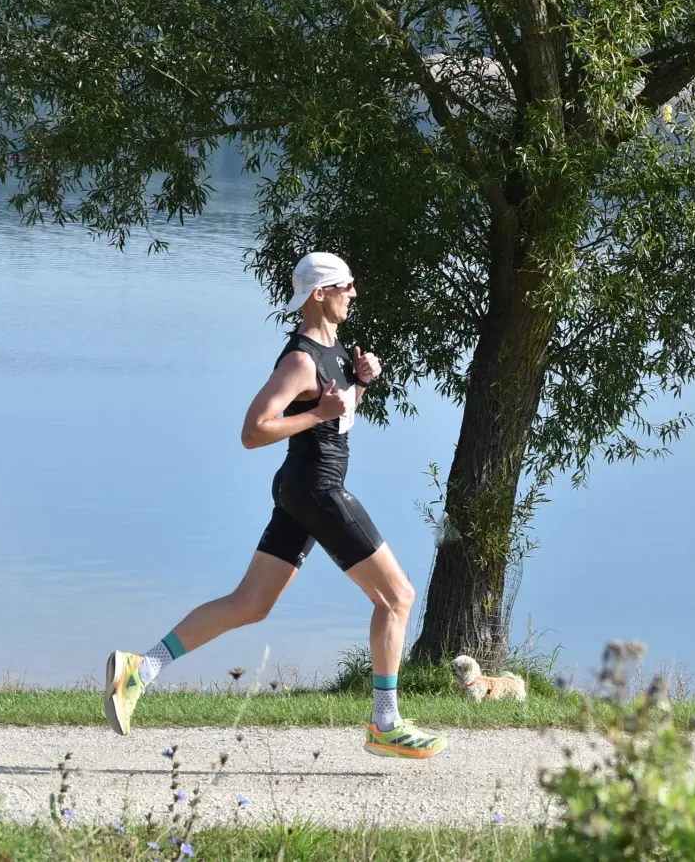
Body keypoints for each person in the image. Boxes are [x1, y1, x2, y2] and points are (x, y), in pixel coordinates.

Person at [102, 251, 446, 759]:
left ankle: (142, 667)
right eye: (346, 286)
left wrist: (363, 383)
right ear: (319, 294)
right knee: (397, 597)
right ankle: (384, 722)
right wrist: (318, 413)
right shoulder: (301, 360)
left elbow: (337, 416)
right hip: (317, 488)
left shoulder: (336, 352)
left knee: (251, 604)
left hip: (301, 488)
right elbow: (253, 430)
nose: (354, 294)